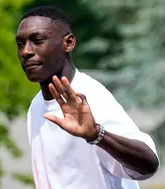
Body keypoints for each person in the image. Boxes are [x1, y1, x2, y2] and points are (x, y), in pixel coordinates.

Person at [15, 6, 159, 189]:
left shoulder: (89, 96)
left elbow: (149, 164)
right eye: (20, 44)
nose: (26, 52)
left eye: (37, 40)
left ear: (68, 43)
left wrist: (96, 134)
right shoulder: (36, 105)